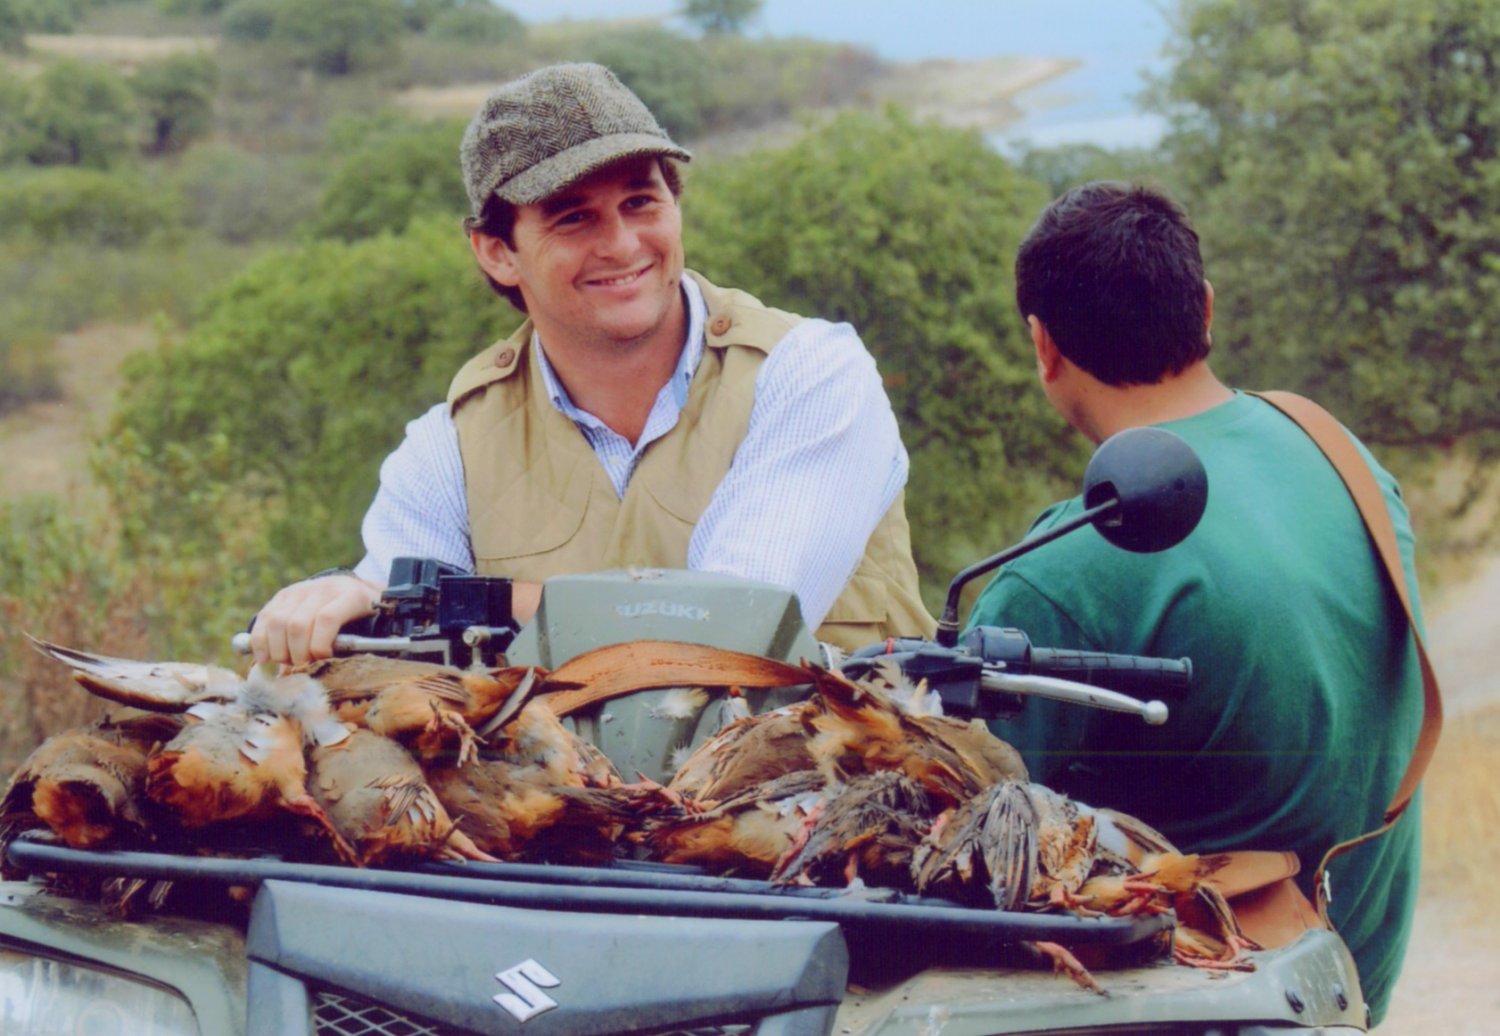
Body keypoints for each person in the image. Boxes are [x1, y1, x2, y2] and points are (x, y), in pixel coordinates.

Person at [249, 62, 932, 667]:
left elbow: (734, 629)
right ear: (497, 252)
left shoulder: (809, 373)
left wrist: (471, 601)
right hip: (555, 781)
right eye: (572, 218)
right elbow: (396, 637)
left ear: (675, 204)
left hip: (843, 773)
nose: (623, 244)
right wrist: (333, 603)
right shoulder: (447, 446)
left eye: (641, 201)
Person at [966, 181, 1424, 1024]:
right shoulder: (1336, 450)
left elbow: (961, 834)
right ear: (1205, 309)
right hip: (1347, 988)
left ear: (1044, 346)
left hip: (1213, 1004)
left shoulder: (1060, 575)